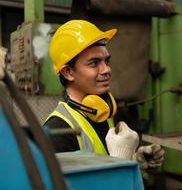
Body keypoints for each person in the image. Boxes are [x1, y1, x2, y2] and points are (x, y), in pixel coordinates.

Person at [43, 20, 164, 169]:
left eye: (106, 61)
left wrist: (132, 160)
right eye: (94, 63)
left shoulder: (101, 112)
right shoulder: (57, 132)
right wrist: (120, 160)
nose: (106, 70)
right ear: (68, 72)